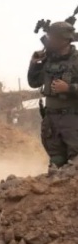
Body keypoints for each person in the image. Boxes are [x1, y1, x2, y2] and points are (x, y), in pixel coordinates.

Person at [27, 21, 78, 169]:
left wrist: (68, 88)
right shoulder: (48, 60)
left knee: (75, 166)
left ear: (65, 39)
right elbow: (34, 82)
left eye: (53, 38)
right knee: (55, 164)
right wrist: (34, 63)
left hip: (72, 120)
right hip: (51, 122)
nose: (50, 41)